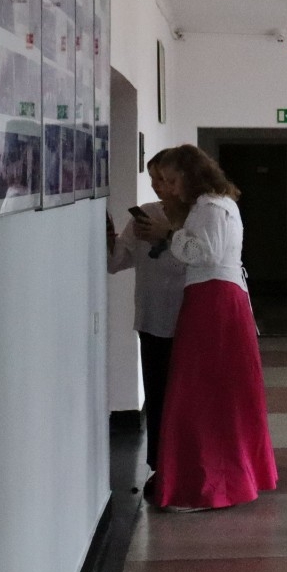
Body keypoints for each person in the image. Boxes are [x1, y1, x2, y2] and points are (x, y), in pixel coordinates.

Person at [135, 144, 276, 512]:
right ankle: (208, 480)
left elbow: (205, 252)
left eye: (171, 180)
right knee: (203, 394)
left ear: (191, 175)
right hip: (208, 297)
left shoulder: (211, 206)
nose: (167, 188)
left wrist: (169, 234)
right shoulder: (208, 205)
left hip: (215, 300)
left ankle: (208, 485)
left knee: (203, 395)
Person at [107, 147, 190, 502]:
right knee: (157, 397)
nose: (157, 186)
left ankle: (188, 466)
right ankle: (160, 467)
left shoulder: (198, 217)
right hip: (153, 318)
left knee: (185, 400)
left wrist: (166, 237)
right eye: (153, 178)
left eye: (164, 179)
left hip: (190, 319)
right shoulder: (146, 215)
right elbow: (116, 262)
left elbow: (198, 264)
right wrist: (109, 238)